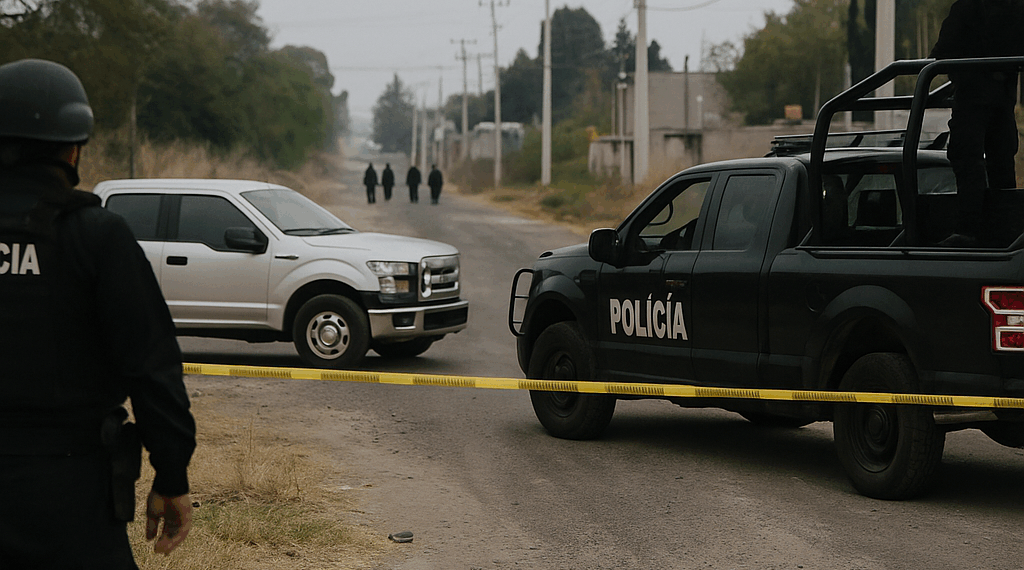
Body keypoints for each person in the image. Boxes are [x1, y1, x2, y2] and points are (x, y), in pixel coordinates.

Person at [0, 59, 196, 568]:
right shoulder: (96, 236)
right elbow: (152, 366)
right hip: (69, 495)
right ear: (73, 147)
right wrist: (171, 474)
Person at [930, 0, 1024, 246]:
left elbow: (941, 53)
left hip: (972, 99)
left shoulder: (967, 7)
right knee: (1002, 167)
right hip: (1003, 101)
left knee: (968, 161)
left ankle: (968, 229)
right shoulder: (1015, 8)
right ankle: (1005, 232)